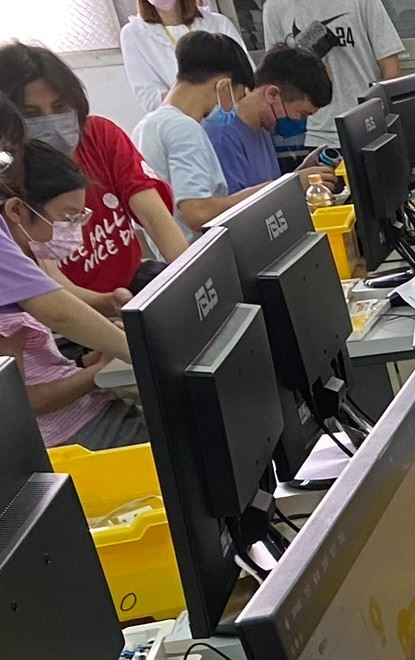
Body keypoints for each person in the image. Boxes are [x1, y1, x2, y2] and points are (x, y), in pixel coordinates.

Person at [0, 43, 187, 295]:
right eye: (31, 114)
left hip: (133, 284)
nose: (50, 121)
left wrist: (190, 277)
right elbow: (48, 288)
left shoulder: (99, 136)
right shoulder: (8, 176)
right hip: (72, 306)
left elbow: (153, 216)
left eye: (59, 107)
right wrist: (106, 306)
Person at [1, 141, 141, 445]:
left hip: (86, 408)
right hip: (66, 432)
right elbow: (21, 402)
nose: (74, 229)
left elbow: (56, 290)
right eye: (67, 218)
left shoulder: (30, 251)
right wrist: (122, 359)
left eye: (80, 217)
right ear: (16, 210)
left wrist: (96, 354)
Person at [136, 32, 260, 234]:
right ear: (223, 86)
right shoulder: (183, 128)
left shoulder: (146, 125)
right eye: (237, 98)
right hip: (197, 248)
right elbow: (198, 213)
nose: (232, 108)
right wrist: (265, 192)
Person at [260, 0, 402, 155]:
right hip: (317, 133)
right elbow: (276, 73)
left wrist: (383, 117)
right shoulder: (275, 6)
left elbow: (390, 64)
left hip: (369, 127)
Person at [204, 43, 330, 192]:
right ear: (272, 94)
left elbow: (267, 193)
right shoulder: (222, 136)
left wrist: (302, 172)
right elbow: (237, 204)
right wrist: (295, 183)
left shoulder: (264, 127)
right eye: (302, 114)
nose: (300, 121)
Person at [120, 0, 249, 115]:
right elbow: (148, 95)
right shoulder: (134, 34)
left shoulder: (218, 23)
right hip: (181, 123)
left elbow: (247, 77)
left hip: (234, 118)